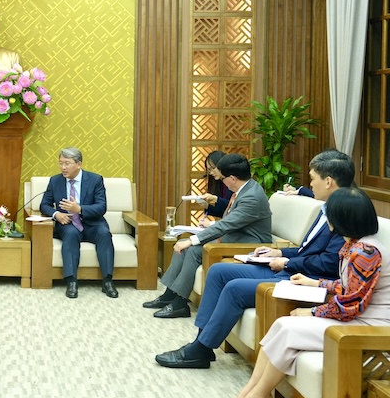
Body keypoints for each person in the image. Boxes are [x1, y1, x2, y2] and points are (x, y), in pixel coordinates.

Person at [155, 149, 353, 368]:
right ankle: (201, 343)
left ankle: (200, 350)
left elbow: (329, 263)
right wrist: (280, 253)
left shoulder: (346, 213)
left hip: (308, 281)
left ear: (328, 182)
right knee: (218, 272)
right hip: (292, 268)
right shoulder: (327, 207)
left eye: (313, 179)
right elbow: (307, 249)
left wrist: (287, 262)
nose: (310, 185)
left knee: (235, 288)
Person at [223, 186, 388, 398]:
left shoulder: (366, 252)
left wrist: (313, 312)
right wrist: (316, 283)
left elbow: (352, 304)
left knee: (288, 329)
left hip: (370, 326)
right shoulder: (355, 245)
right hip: (359, 318)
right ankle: (252, 392)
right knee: (282, 324)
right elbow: (350, 288)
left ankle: (259, 396)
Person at [143, 153, 272, 318]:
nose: (221, 181)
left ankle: (180, 303)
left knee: (192, 249)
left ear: (233, 178)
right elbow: (230, 222)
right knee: (185, 245)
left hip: (247, 246)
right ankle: (170, 295)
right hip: (233, 238)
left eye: (223, 178)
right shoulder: (245, 189)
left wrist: (192, 240)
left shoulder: (251, 197)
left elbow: (226, 224)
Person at [39, 147, 118, 299]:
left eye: (67, 163)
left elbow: (102, 207)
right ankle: (71, 281)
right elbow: (44, 205)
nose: (63, 167)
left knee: (104, 233)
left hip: (93, 223)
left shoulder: (95, 180)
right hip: (67, 223)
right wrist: (57, 214)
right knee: (70, 234)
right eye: (60, 163)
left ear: (79, 164)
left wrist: (80, 209)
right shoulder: (55, 181)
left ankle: (107, 281)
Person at [197, 150, 233, 218]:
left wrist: (215, 199)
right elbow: (223, 213)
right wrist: (207, 206)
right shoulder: (219, 183)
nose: (211, 173)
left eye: (213, 168)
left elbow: (234, 207)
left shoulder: (233, 182)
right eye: (209, 170)